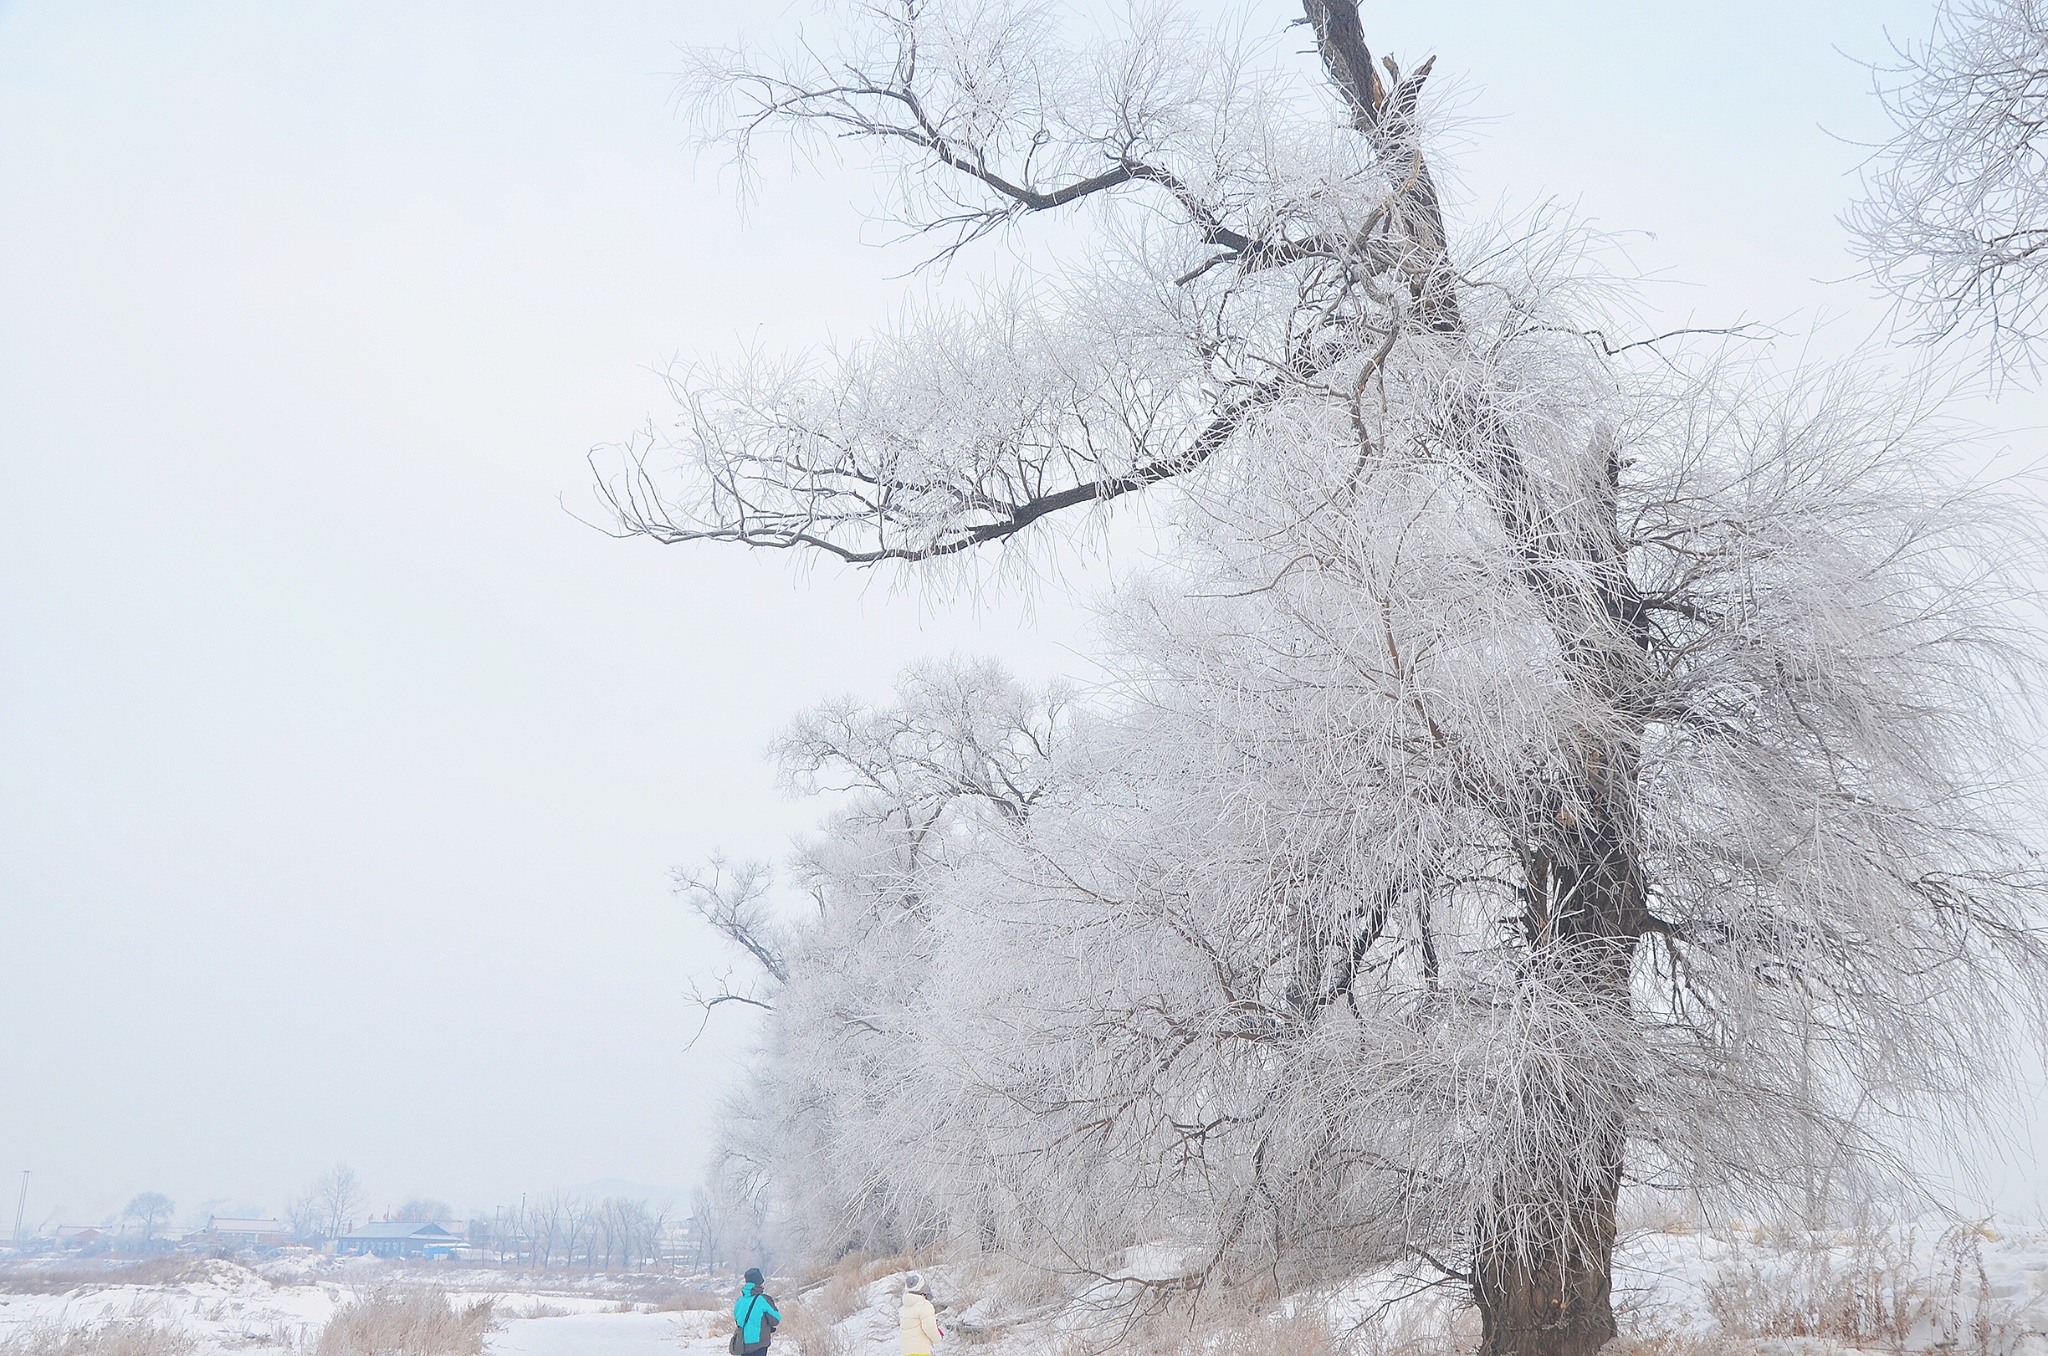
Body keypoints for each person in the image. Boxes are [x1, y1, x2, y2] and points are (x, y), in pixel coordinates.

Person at [732, 1267, 782, 1356]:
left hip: (742, 1344)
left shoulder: (739, 1301)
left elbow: (738, 1321)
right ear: (759, 1282)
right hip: (759, 1344)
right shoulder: (763, 1300)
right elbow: (775, 1320)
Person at [898, 1272, 942, 1356]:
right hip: (920, 1350)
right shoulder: (925, 1306)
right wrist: (937, 1338)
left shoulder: (904, 1308)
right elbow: (929, 1328)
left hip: (906, 1350)